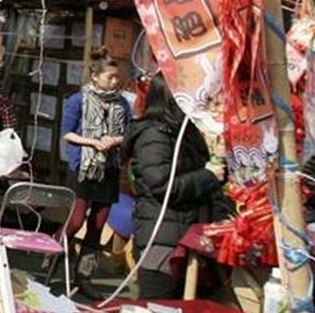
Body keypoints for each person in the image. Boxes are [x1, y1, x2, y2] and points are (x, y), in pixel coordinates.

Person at [123, 74, 229, 299]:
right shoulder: (153, 134)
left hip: (187, 233)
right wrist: (208, 175)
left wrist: (220, 169)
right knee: (158, 304)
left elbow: (200, 176)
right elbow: (163, 185)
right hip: (162, 239)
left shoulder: (184, 130)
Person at [60, 49, 131, 296]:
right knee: (76, 221)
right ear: (95, 77)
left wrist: (115, 140)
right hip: (83, 167)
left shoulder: (121, 103)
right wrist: (92, 142)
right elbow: (67, 133)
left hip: (109, 169)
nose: (114, 82)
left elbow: (129, 133)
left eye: (116, 77)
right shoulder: (78, 100)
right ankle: (54, 255)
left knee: (97, 225)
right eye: (110, 77)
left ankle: (85, 276)